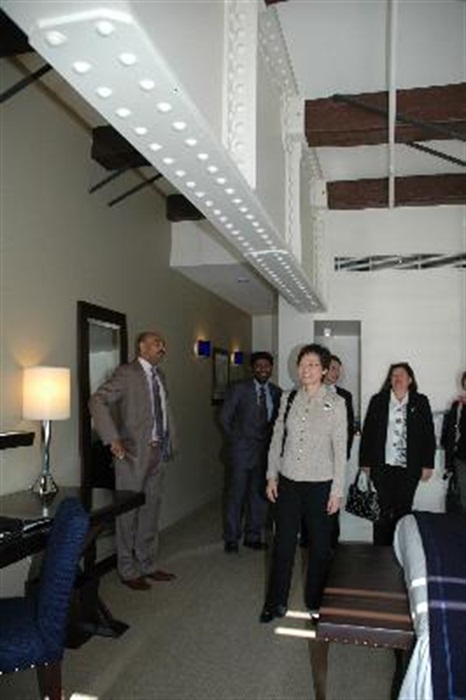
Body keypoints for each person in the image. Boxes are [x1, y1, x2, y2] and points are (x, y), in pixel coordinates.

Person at [259, 343, 346, 623]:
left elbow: (340, 450)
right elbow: (276, 441)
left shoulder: (337, 403)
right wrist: (272, 475)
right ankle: (275, 602)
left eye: (311, 365)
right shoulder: (288, 397)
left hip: (321, 484)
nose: (305, 370)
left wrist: (337, 491)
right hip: (289, 481)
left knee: (320, 547)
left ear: (323, 370)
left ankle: (315, 602)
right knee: (283, 543)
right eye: (302, 364)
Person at [89, 330, 176, 590]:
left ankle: (147, 564)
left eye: (164, 343)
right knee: (127, 516)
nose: (162, 347)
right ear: (142, 346)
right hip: (132, 455)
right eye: (157, 342)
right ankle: (127, 570)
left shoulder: (160, 375)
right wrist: (112, 439)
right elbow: (97, 400)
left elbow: (161, 412)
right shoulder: (127, 373)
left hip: (158, 452)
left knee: (151, 511)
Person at [359, 362, 435, 546]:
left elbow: (428, 435)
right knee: (382, 510)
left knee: (404, 510)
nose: (398, 378)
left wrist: (428, 465)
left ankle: (401, 549)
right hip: (382, 465)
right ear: (390, 380)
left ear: (410, 380)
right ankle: (380, 550)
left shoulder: (420, 401)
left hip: (410, 468)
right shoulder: (378, 400)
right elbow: (368, 433)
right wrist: (365, 462)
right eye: (394, 375)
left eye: (402, 375)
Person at [220, 351, 282, 553]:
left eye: (267, 366)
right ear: (252, 368)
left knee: (259, 496)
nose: (263, 369)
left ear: (272, 368)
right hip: (240, 452)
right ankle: (231, 538)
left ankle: (253, 536)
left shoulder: (276, 392)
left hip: (265, 454)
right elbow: (224, 418)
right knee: (235, 495)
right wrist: (237, 440)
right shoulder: (239, 389)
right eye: (259, 366)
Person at [441, 370, 466, 513]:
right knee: (463, 498)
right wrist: (449, 461)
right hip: (461, 458)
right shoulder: (458, 405)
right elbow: (449, 433)